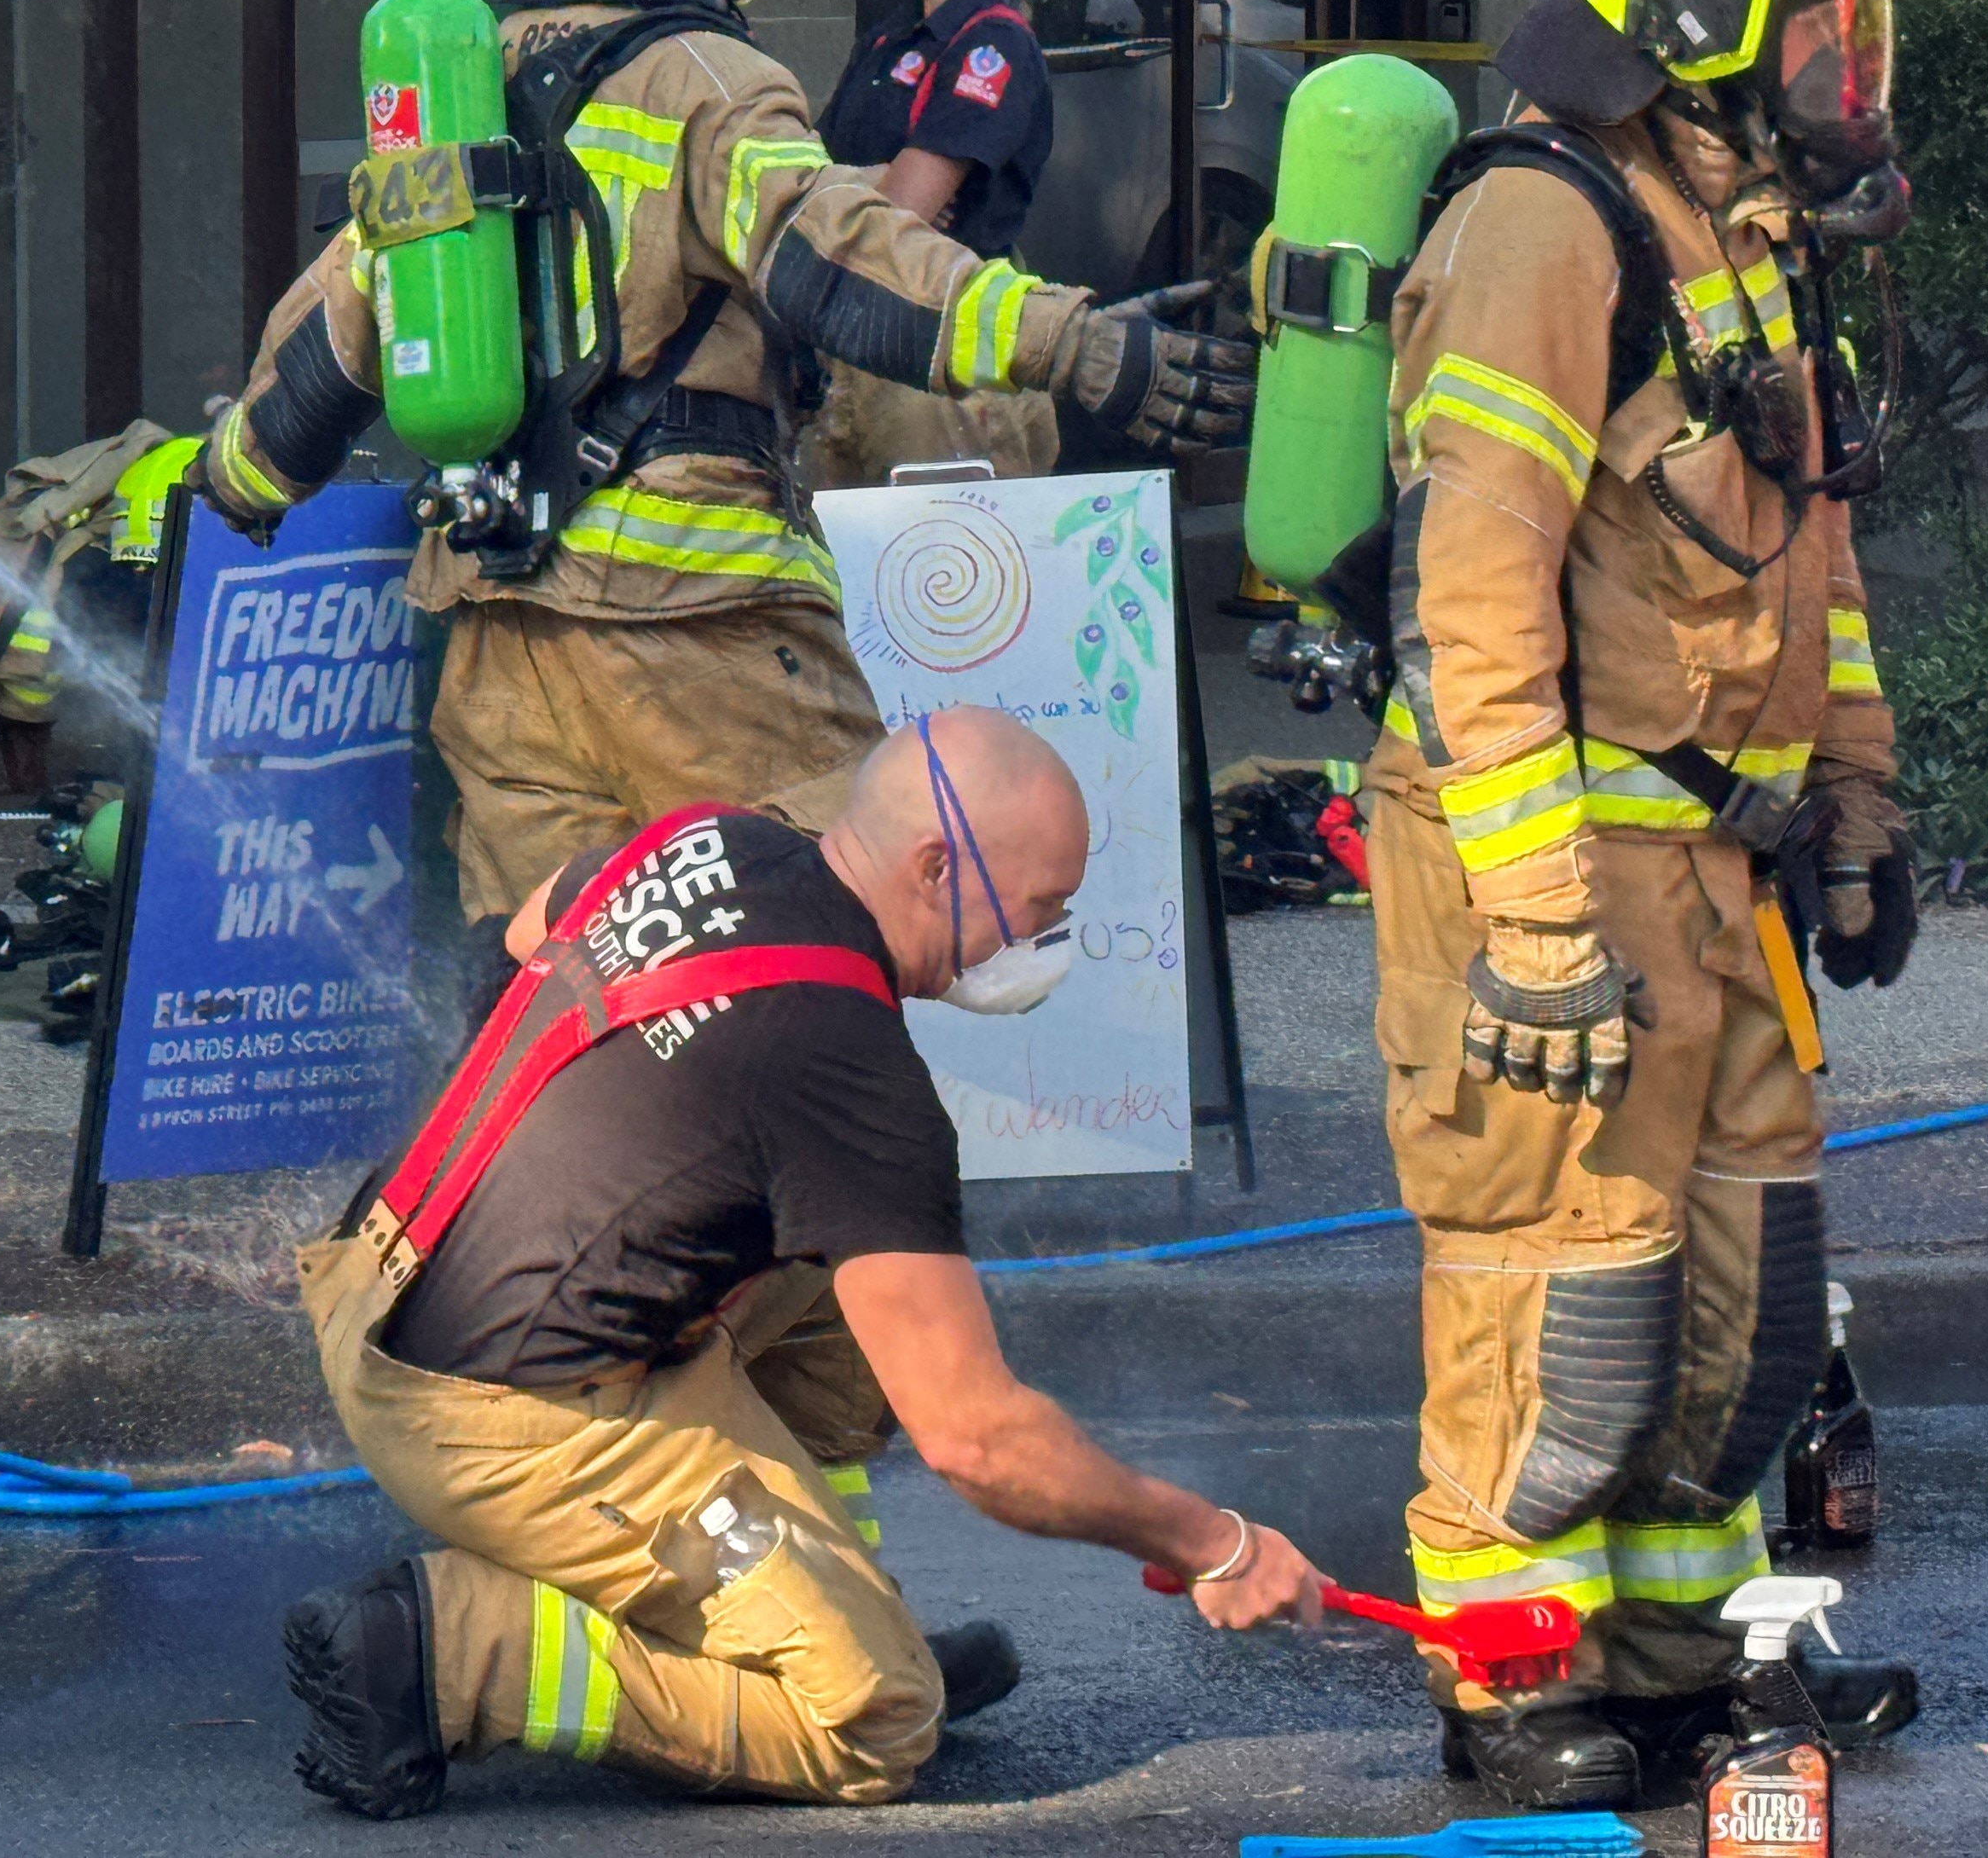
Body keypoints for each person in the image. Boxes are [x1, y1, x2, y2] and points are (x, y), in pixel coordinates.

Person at [202, 0, 1253, 952]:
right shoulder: (707, 78)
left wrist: (239, 475)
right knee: (840, 934)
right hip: (696, 629)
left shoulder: (454, 91)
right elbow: (837, 256)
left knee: (557, 983)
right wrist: (1073, 343)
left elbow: (335, 328)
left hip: (500, 632)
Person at [1365, 0, 1939, 1808]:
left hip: (1721, 867)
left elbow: (1812, 550)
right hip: (1562, 860)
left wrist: (1855, 799)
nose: (1854, 73)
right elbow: (1470, 599)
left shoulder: (1738, 229)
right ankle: (1515, 1679)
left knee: (1741, 1310)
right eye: (1827, 24)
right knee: (1564, 1292)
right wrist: (1533, 923)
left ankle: (1678, 1662)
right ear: (1700, 9)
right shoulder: (1544, 226)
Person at [282, 707, 1324, 1815]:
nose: (1045, 940)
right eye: (1040, 908)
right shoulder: (846, 1065)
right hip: (498, 1419)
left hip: (385, 1273)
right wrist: (1209, 1541)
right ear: (938, 867)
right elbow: (976, 1438)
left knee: (863, 1257)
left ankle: (832, 1602)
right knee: (875, 1722)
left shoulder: (713, 842)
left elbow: (526, 933)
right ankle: (452, 1649)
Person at [803, 0, 1063, 489]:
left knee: (947, 557)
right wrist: (866, 182)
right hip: (856, 357)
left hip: (945, 371)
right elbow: (810, 177)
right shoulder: (891, 38)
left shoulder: (992, 46)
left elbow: (899, 219)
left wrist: (861, 191)